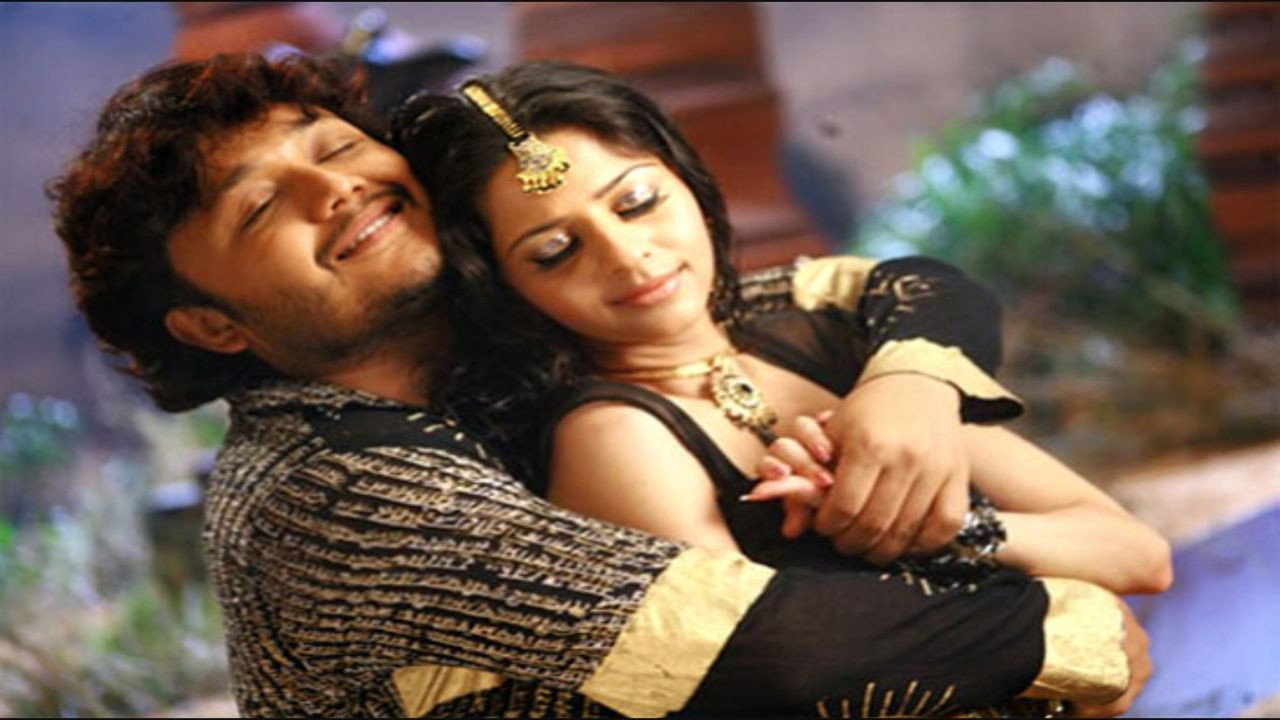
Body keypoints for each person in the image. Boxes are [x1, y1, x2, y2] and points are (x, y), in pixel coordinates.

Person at [49, 52, 1148, 717]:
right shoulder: (323, 484)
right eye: (259, 208)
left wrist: (904, 388)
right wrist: (1068, 634)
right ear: (211, 323)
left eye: (331, 150)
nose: (329, 191)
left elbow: (880, 287)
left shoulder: (516, 335)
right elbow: (752, 646)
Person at [393, 60, 1172, 598]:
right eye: (557, 251)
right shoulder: (616, 438)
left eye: (637, 202)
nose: (629, 257)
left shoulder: (824, 340)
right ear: (507, 289)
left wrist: (941, 523)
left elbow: (1136, 555)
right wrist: (1066, 636)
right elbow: (779, 671)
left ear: (687, 180)